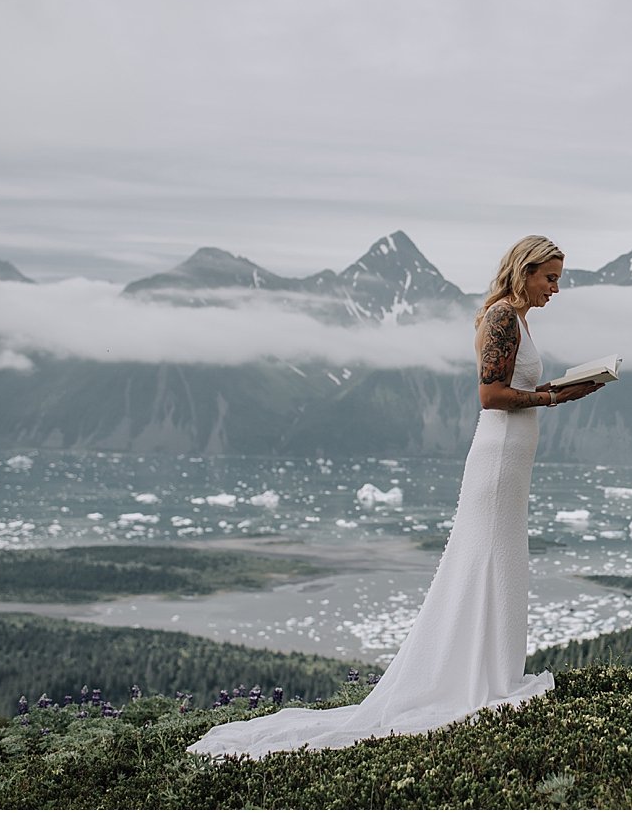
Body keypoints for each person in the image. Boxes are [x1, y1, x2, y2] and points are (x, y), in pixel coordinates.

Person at [188, 235, 603, 758]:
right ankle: (477, 678)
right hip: (498, 455)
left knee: (503, 561)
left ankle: (492, 671)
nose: (556, 288)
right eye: (551, 278)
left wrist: (559, 393)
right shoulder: (500, 316)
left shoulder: (517, 318)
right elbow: (490, 394)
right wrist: (554, 396)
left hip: (513, 455)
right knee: (488, 559)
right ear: (525, 271)